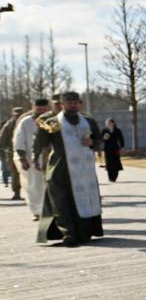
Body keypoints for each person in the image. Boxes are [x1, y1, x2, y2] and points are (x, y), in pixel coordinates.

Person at [33, 91, 103, 246]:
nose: (72, 105)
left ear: (79, 103)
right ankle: (68, 233)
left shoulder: (89, 121)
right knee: (61, 203)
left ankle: (84, 233)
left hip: (84, 171)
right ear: (61, 104)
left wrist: (92, 142)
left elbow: (99, 142)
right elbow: (39, 143)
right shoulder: (52, 122)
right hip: (60, 168)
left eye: (75, 102)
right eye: (68, 102)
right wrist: (35, 157)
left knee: (82, 201)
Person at [13, 98, 51, 220]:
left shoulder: (52, 122)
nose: (41, 112)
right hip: (31, 160)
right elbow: (19, 141)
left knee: (51, 186)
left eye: (44, 109)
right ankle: (37, 211)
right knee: (34, 186)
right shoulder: (26, 122)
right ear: (33, 108)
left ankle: (52, 210)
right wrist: (23, 159)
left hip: (50, 160)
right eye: (39, 109)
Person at [1, 106, 23, 199]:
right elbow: (2, 139)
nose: (17, 116)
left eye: (19, 114)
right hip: (12, 152)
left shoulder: (25, 122)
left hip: (25, 151)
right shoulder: (8, 125)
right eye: (16, 114)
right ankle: (17, 192)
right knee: (15, 173)